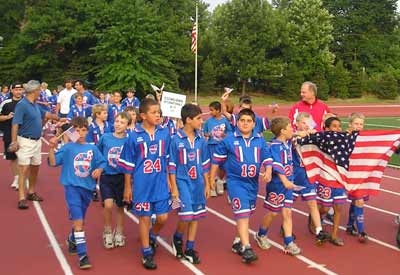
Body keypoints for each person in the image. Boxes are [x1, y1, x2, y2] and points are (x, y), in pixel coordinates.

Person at [210, 108, 272, 264]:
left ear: (254, 124)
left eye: (248, 121)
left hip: (252, 183)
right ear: (236, 122)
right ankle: (247, 247)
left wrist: (269, 170)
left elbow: (267, 158)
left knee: (248, 212)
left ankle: (238, 240)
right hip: (236, 182)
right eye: (242, 120)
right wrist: (211, 180)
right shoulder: (229, 140)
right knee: (243, 213)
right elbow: (216, 160)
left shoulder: (259, 140)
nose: (245, 123)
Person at [118, 98, 171, 270]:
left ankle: (153, 236)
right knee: (145, 217)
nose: (158, 115)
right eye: (154, 112)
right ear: (143, 115)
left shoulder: (165, 133)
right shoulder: (133, 136)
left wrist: (171, 182)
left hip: (161, 182)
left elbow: (169, 160)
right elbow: (128, 164)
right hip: (142, 184)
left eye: (159, 112)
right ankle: (146, 251)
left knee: (163, 217)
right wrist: (128, 187)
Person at [48, 116, 106, 269]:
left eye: (83, 130)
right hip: (71, 188)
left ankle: (72, 239)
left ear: (87, 131)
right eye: (77, 130)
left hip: (87, 189)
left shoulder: (92, 149)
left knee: (80, 220)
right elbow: (53, 163)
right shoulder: (67, 147)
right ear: (72, 131)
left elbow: (102, 162)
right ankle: (83, 255)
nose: (80, 133)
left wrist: (99, 170)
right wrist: (50, 148)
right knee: (79, 222)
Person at [9, 80, 63, 210]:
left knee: (35, 167)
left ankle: (31, 192)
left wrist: (60, 119)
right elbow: (15, 124)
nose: (40, 92)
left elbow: (47, 114)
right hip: (25, 141)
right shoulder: (22, 105)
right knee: (24, 169)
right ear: (34, 92)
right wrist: (14, 141)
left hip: (37, 141)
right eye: (39, 90)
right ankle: (21, 197)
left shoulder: (35, 104)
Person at [169, 104, 210, 264]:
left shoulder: (201, 140)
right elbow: (171, 165)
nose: (201, 121)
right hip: (182, 182)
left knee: (196, 216)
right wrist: (173, 187)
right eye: (199, 118)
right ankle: (177, 238)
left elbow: (205, 163)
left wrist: (207, 184)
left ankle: (190, 248)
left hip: (198, 182)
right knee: (186, 215)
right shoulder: (175, 139)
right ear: (188, 120)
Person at [298, 116, 348, 246]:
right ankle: (314, 216)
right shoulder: (321, 138)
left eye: (339, 126)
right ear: (326, 128)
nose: (338, 129)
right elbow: (302, 141)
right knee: (325, 208)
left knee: (338, 208)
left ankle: (334, 235)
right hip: (325, 178)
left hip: (340, 179)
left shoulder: (345, 140)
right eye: (334, 126)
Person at [255, 117, 301, 256]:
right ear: (282, 131)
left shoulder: (287, 142)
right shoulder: (275, 146)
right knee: (273, 212)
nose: (292, 130)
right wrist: (285, 181)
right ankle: (261, 234)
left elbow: (297, 135)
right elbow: (277, 165)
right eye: (290, 128)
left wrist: (305, 131)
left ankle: (288, 242)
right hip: (277, 185)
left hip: (288, 183)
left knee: (287, 212)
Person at [293, 112, 330, 245]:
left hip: (308, 176)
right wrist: (298, 134)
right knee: (286, 205)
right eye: (303, 122)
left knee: (312, 203)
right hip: (294, 176)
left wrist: (316, 133)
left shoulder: (314, 136)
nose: (306, 125)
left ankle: (319, 231)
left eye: (308, 122)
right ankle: (283, 228)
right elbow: (289, 141)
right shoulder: (292, 136)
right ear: (296, 123)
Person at [97, 112, 130, 249]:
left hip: (121, 177)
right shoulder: (105, 138)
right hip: (107, 176)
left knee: (120, 207)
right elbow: (97, 154)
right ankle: (107, 230)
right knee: (108, 205)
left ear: (127, 125)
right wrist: (99, 167)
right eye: (116, 121)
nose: (118, 124)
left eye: (122, 122)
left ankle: (120, 231)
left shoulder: (129, 140)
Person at [345, 112, 368, 242]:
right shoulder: (345, 136)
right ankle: (361, 231)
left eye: (361, 124)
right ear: (350, 124)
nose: (358, 126)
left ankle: (351, 226)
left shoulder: (365, 138)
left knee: (357, 200)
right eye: (356, 124)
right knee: (358, 200)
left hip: (362, 173)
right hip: (349, 173)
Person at [202, 101, 231, 196]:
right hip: (211, 145)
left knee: (223, 166)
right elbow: (205, 133)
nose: (210, 112)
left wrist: (224, 135)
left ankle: (219, 181)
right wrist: (208, 134)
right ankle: (211, 186)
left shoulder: (224, 121)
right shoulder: (208, 121)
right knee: (212, 166)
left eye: (212, 110)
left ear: (218, 111)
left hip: (222, 146)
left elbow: (230, 133)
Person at [0, 83, 24, 189]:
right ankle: (16, 177)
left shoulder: (27, 102)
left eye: (20, 89)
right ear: (12, 91)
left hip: (24, 134)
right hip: (9, 133)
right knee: (13, 157)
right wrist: (7, 117)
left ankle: (23, 177)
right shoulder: (6, 103)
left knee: (24, 156)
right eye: (16, 89)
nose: (18, 91)